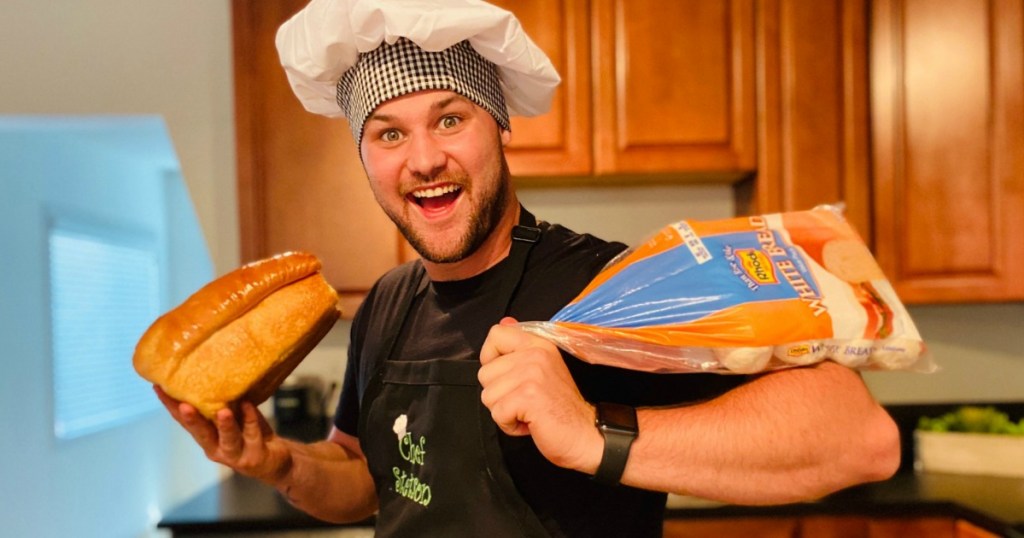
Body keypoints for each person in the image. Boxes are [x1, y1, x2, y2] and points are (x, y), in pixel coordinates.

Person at [156, 0, 900, 536]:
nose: (423, 159)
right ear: (365, 157)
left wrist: (588, 433)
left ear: (499, 125)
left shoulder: (610, 283)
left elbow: (859, 436)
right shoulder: (385, 302)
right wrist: (280, 465)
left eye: (451, 118)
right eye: (388, 133)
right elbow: (366, 485)